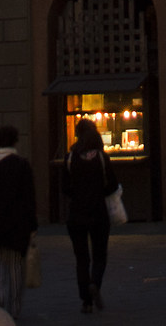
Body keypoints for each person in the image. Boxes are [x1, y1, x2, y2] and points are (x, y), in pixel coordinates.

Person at [0, 125, 37, 323]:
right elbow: (30, 199)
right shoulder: (22, 165)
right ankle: (14, 310)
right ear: (15, 141)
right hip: (18, 226)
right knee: (15, 271)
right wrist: (33, 227)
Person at [60, 118, 113, 315]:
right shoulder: (101, 158)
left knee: (81, 259)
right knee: (100, 255)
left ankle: (86, 302)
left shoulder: (70, 158)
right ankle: (95, 283)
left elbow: (65, 188)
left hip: (76, 215)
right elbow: (112, 185)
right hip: (99, 213)